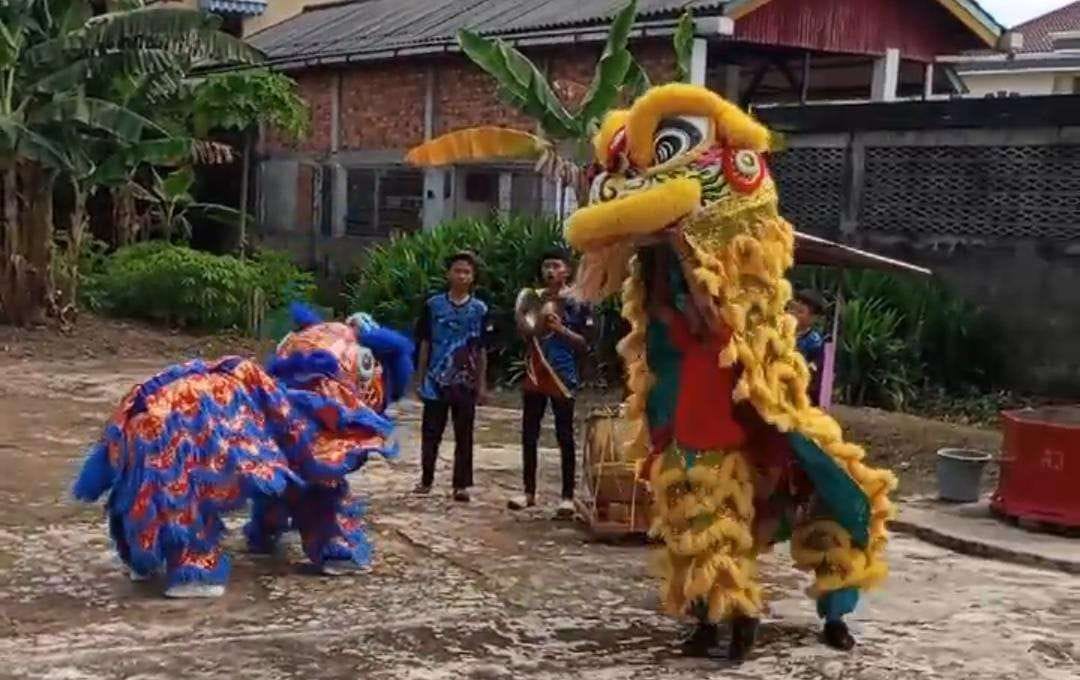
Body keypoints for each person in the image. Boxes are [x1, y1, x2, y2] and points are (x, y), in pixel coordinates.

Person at [508, 249, 593, 518]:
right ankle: (528, 492)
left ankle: (567, 496)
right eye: (546, 266)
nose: (550, 271)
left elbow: (586, 344)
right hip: (535, 373)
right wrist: (528, 322)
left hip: (563, 376)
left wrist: (561, 329)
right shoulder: (533, 298)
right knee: (529, 434)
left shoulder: (579, 302)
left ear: (567, 271)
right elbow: (525, 331)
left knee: (565, 435)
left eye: (555, 266)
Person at [413, 251, 492, 502]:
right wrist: (420, 377)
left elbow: (482, 349)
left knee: (464, 434)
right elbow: (425, 342)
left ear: (473, 277)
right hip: (436, 379)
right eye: (457, 270)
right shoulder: (433, 305)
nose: (461, 275)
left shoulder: (480, 309)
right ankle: (426, 479)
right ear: (449, 274)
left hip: (465, 381)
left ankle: (461, 485)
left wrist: (482, 384)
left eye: (466, 272)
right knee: (431, 432)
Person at [790, 288, 827, 407]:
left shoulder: (815, 343)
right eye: (793, 310)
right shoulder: (781, 333)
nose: (794, 315)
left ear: (813, 318)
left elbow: (812, 373)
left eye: (800, 312)